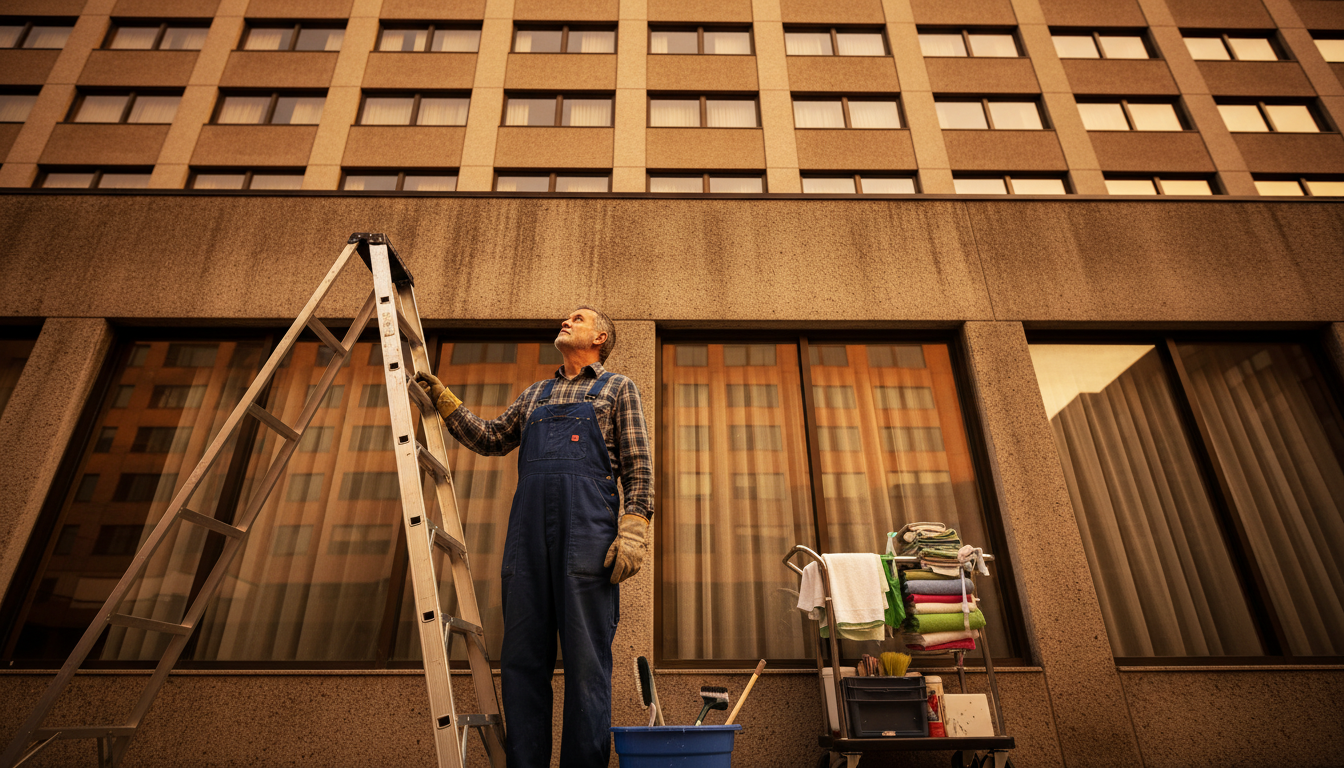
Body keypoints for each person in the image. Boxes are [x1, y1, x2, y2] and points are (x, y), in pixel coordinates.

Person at [414, 306, 651, 768]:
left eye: (578, 318)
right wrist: (446, 402)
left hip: (588, 538)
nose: (566, 321)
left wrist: (634, 529)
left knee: (586, 665)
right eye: (566, 317)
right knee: (522, 661)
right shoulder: (535, 394)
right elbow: (491, 438)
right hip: (527, 540)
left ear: (600, 338)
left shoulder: (618, 388)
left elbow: (638, 464)